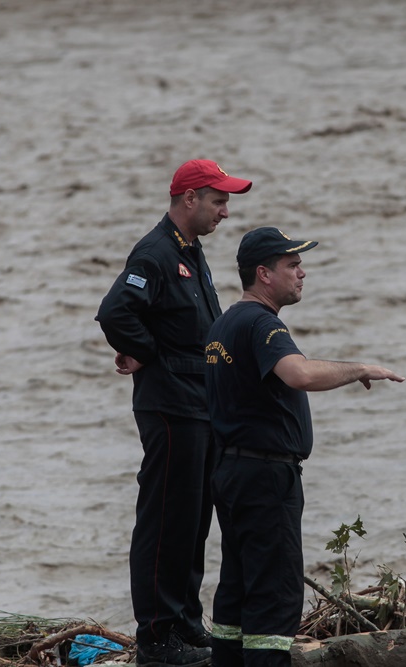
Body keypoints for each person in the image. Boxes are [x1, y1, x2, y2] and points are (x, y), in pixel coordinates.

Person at [204, 227, 405, 667]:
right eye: (292, 265)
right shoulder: (261, 323)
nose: (302, 273)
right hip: (264, 477)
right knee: (273, 599)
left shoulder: (224, 323)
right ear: (263, 274)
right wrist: (360, 368)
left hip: (231, 472)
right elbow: (300, 374)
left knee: (236, 591)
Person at [96, 159, 253, 667]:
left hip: (199, 404)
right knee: (166, 519)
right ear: (190, 198)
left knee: (193, 520)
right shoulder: (156, 252)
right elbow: (116, 311)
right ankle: (158, 639)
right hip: (170, 405)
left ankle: (185, 623)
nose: (225, 211)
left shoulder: (191, 250)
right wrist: (146, 350)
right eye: (219, 201)